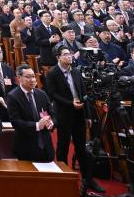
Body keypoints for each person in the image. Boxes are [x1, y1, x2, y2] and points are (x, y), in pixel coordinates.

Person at [45, 46, 91, 175]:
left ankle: (87, 177)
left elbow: (83, 93)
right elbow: (52, 94)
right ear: (58, 57)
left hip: (79, 113)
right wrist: (70, 103)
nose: (69, 56)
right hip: (64, 113)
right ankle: (63, 174)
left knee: (81, 146)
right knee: (63, 145)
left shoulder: (76, 71)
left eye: (70, 54)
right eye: (65, 54)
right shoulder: (53, 73)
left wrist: (87, 115)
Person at [7, 64, 55, 162]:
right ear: (19, 78)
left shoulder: (42, 94)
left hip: (46, 148)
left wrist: (51, 123)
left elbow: (53, 115)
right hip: (27, 148)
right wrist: (37, 125)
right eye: (28, 77)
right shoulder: (13, 96)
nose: (32, 80)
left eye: (33, 76)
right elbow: (16, 122)